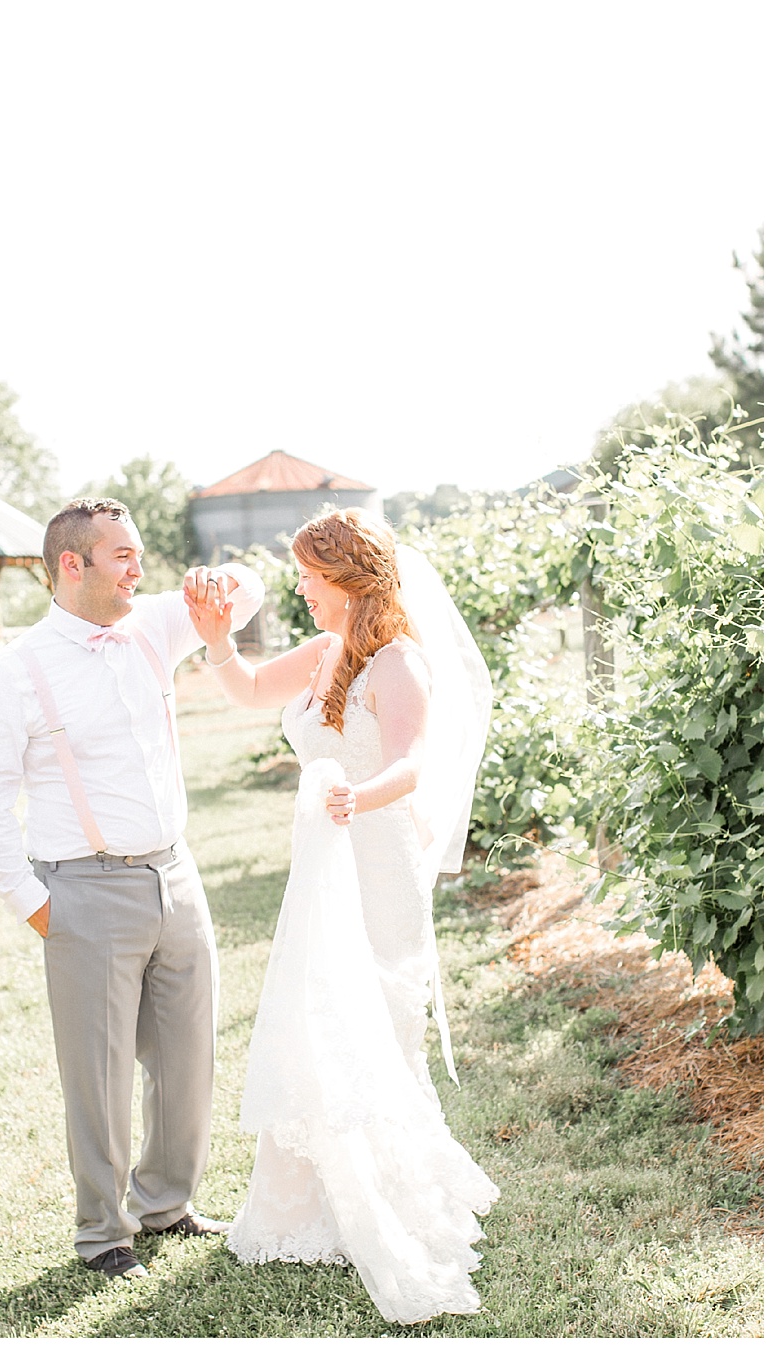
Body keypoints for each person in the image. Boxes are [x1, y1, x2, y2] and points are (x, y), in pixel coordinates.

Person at [187, 506, 499, 1324]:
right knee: (316, 1015)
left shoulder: (400, 664)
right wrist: (217, 635)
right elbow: (250, 689)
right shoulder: (327, 652)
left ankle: (390, 1196)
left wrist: (352, 797)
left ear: (346, 578)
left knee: (377, 1015)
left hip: (375, 855)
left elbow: (413, 761)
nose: (300, 588)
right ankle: (308, 1203)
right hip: (323, 859)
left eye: (308, 576)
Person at [0, 498, 265, 1280]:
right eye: (123, 556)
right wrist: (40, 910)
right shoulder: (14, 672)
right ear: (73, 563)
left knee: (189, 1056)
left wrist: (217, 582)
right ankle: (103, 1233)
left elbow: (251, 589)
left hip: (176, 874)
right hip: (83, 890)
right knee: (98, 1076)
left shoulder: (155, 626)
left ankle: (167, 1202)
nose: (139, 568)